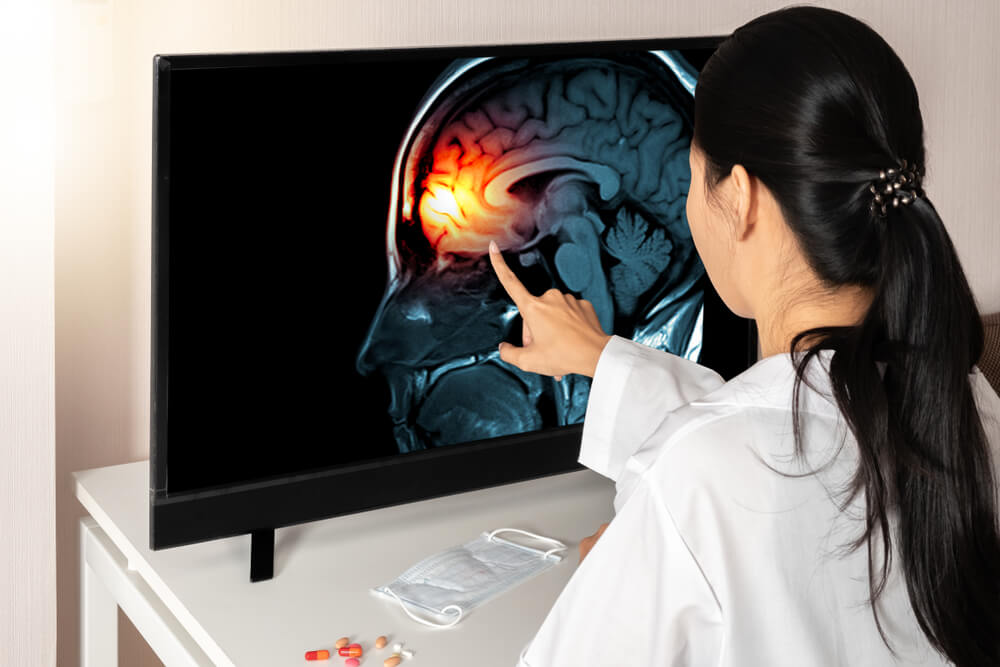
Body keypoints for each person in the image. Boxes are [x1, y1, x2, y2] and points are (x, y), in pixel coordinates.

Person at [493, 6, 1000, 666]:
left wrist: (630, 564)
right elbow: (792, 422)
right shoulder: (973, 406)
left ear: (739, 196)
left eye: (691, 174)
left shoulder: (699, 483)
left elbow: (739, 449)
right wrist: (604, 357)